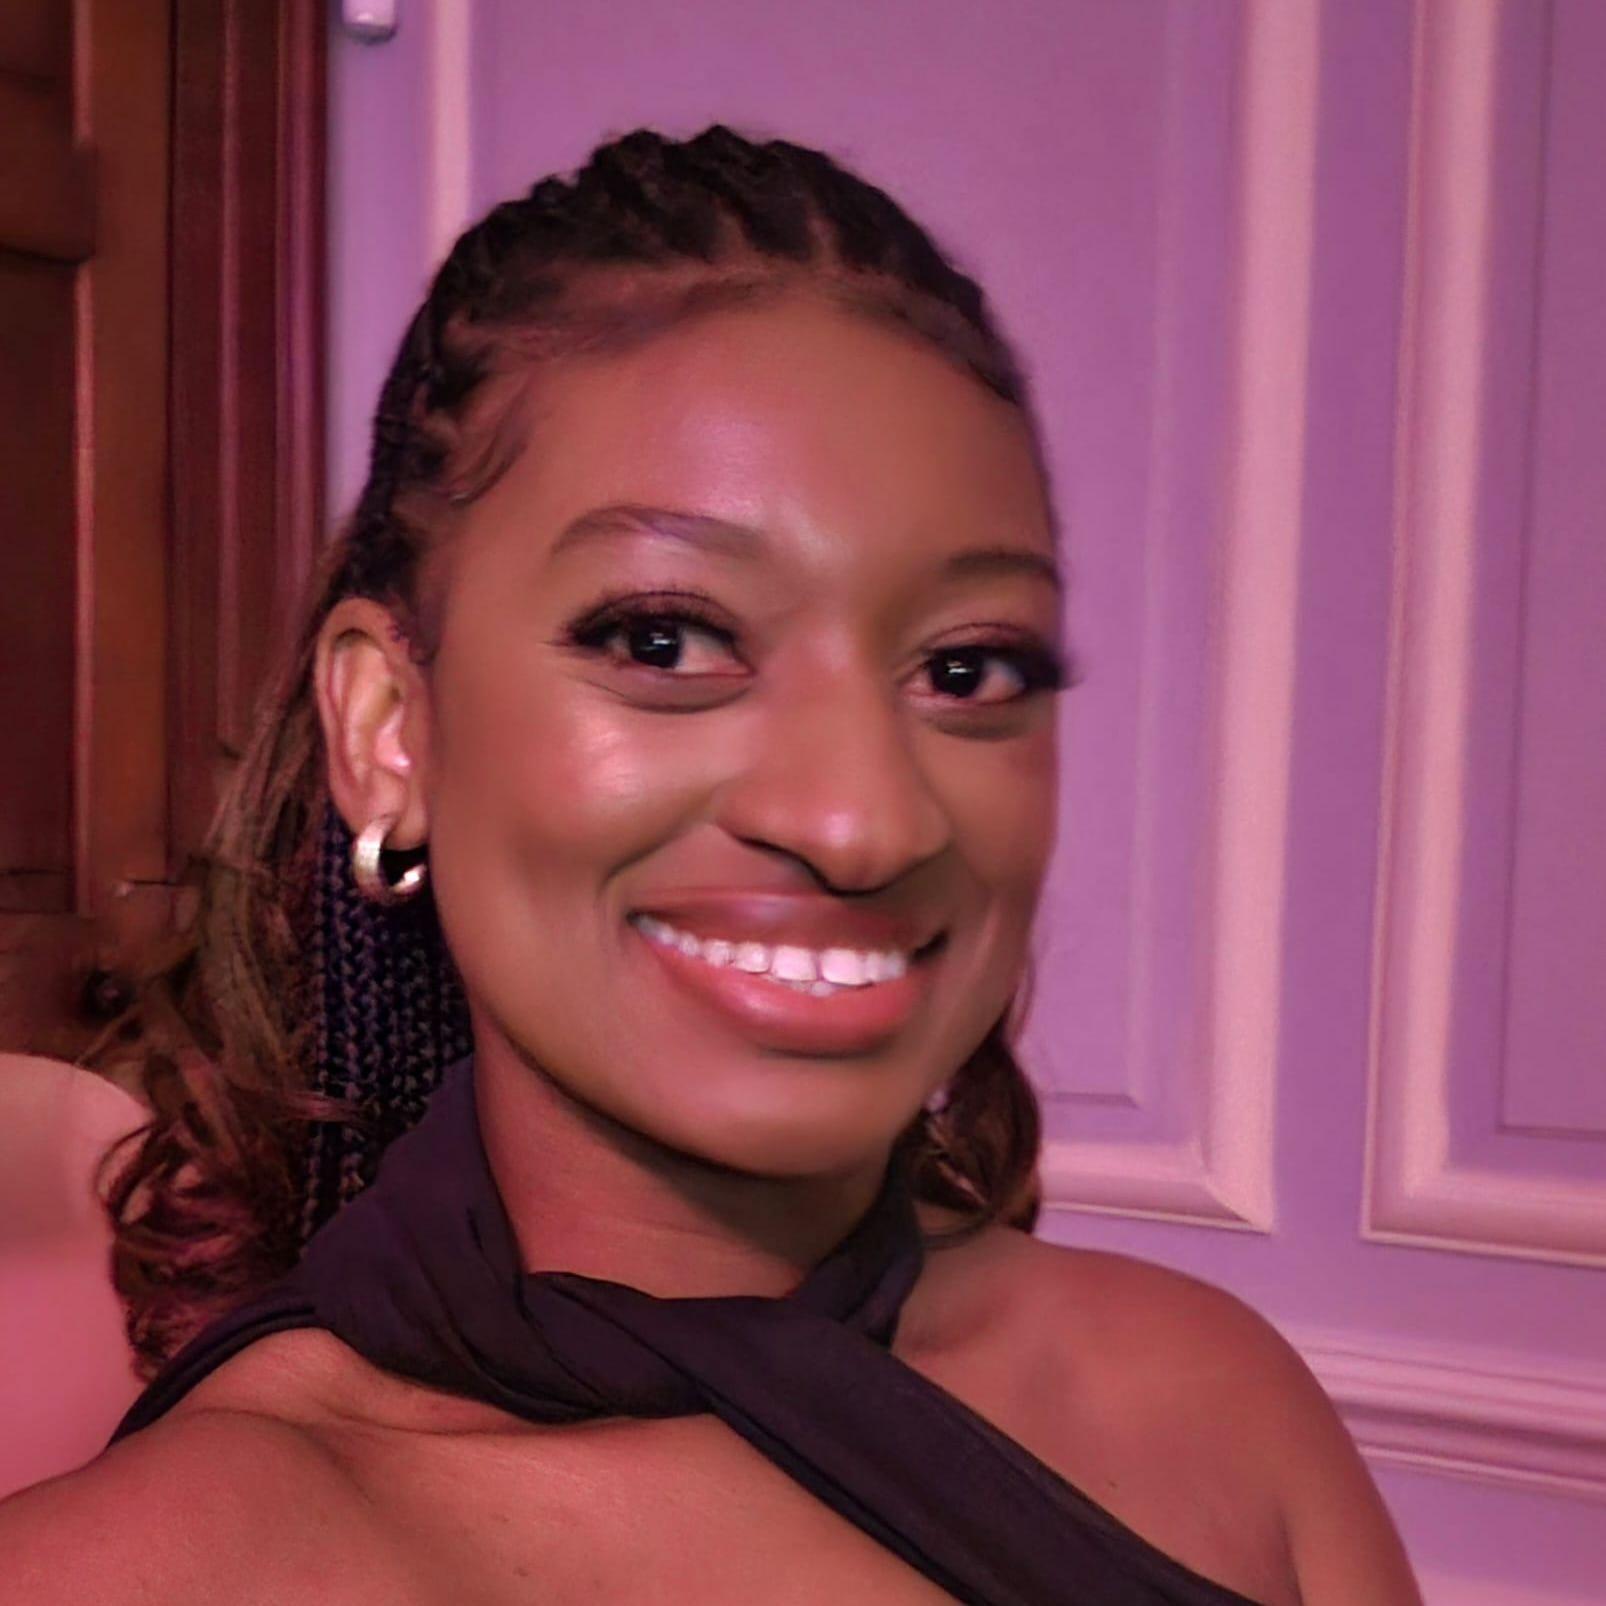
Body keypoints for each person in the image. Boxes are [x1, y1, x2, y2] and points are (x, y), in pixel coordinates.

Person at [0, 125, 1419, 1604]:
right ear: (390, 729)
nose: (864, 821)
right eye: (666, 640)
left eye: (966, 667)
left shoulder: (1222, 1406)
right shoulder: (147, 1570)